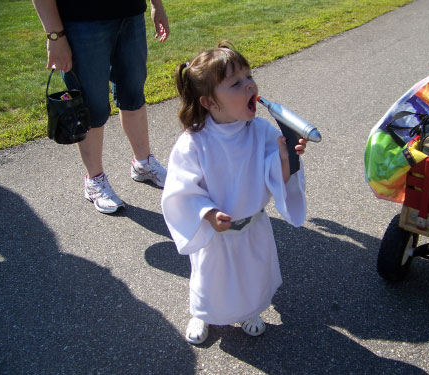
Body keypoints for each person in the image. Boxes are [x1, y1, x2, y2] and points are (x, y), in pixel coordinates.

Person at [161, 42, 308, 345]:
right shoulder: (194, 144)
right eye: (236, 83)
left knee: (253, 276)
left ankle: (249, 310)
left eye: (249, 76)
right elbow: (182, 190)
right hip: (216, 234)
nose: (250, 85)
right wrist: (208, 214)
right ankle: (202, 312)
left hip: (253, 227)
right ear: (210, 102)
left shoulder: (263, 132)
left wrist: (285, 157)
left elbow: (276, 181)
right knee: (210, 280)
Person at [32, 0, 170, 214]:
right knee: (91, 106)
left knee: (133, 95)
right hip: (82, 21)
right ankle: (95, 180)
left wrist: (157, 5)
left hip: (130, 13)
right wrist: (54, 35)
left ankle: (143, 164)